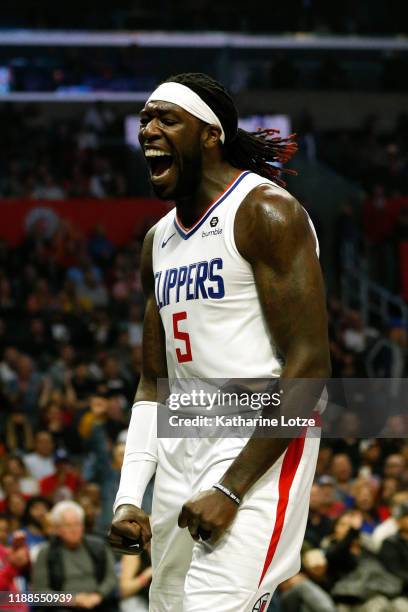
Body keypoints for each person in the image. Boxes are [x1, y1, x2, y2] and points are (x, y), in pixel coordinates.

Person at [109, 72, 331, 611]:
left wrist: (231, 489)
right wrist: (127, 497)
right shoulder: (156, 242)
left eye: (166, 118)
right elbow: (152, 384)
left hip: (257, 443)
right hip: (183, 440)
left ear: (211, 135)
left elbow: (310, 365)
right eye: (144, 119)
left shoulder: (264, 213)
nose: (148, 129)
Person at [32, 500, 118, 611]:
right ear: (57, 529)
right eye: (68, 525)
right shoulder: (46, 552)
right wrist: (72, 599)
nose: (74, 530)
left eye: (77, 524)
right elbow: (40, 593)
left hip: (99, 604)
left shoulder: (99, 546)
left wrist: (98, 595)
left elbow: (111, 578)